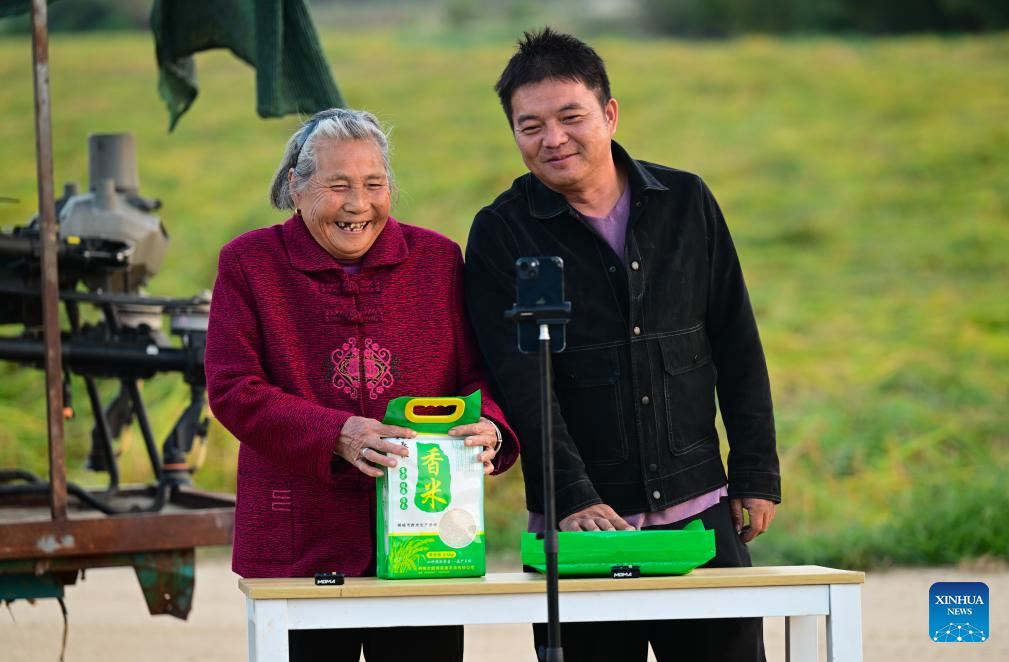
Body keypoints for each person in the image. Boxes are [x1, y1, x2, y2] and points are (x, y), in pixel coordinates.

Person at [464, 29, 780, 662]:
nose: (553, 139)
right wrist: (571, 496)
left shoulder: (685, 202)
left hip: (700, 510)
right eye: (530, 126)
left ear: (609, 114)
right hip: (582, 526)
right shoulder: (502, 231)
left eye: (571, 117)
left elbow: (736, 342)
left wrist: (755, 470)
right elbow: (521, 385)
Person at [205, 108, 518, 662]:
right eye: (339, 186)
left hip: (427, 538)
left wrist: (489, 425)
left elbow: (478, 374)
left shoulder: (437, 260)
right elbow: (234, 388)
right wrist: (337, 433)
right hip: (300, 540)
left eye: (374, 184)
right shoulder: (250, 264)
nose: (359, 204)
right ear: (296, 186)